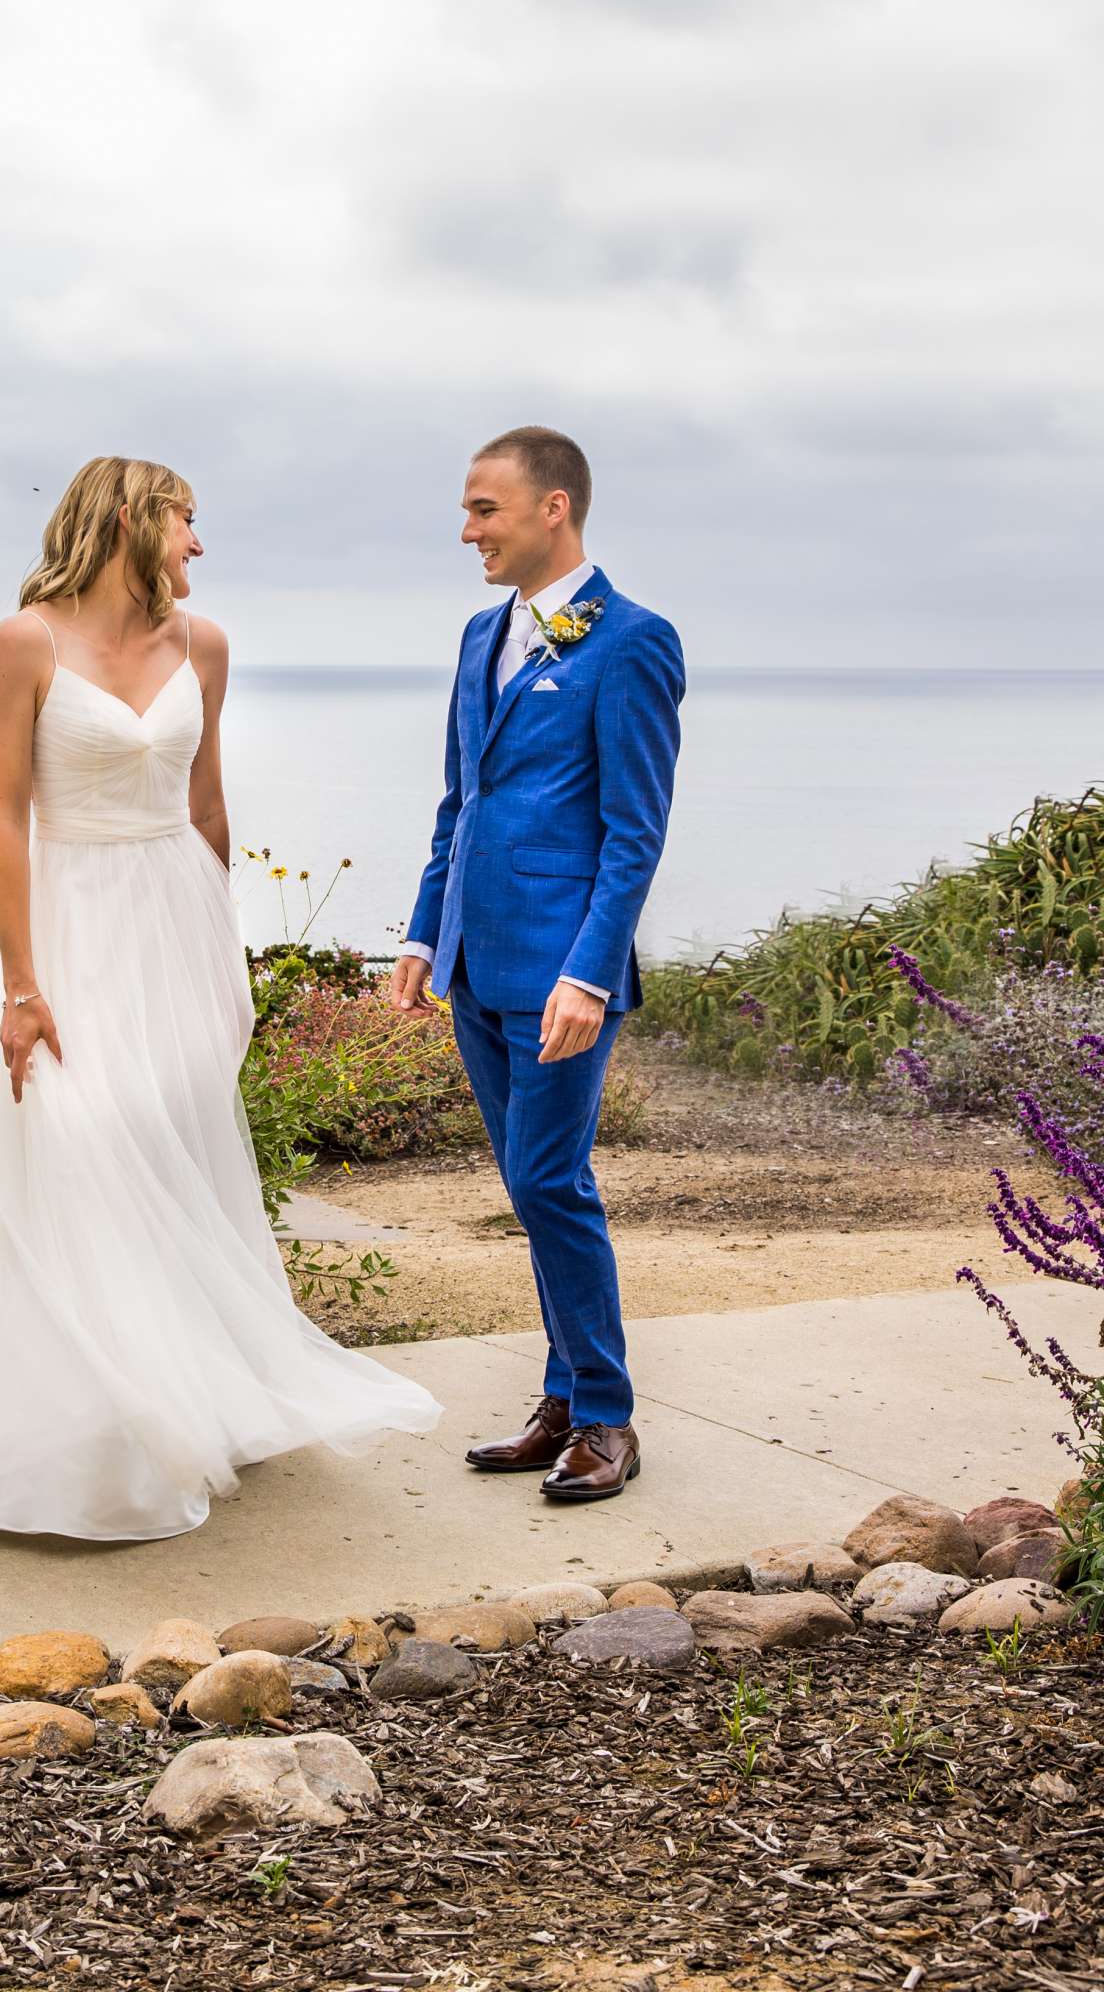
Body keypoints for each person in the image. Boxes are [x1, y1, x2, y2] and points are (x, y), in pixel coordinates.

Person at [0, 455, 440, 1537]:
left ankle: (173, 1399)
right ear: (130, 518)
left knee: (167, 1144)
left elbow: (209, 808)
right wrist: (21, 983)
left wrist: (232, 956)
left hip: (177, 919)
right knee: (73, 1141)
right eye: (187, 520)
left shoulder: (202, 647)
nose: (200, 545)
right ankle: (67, 1431)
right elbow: (4, 818)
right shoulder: (21, 643)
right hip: (71, 925)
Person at [389, 426, 683, 1502]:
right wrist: (425, 933)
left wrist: (590, 974)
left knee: (552, 1182)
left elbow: (632, 833)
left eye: (484, 510)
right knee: (527, 1184)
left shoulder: (631, 642)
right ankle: (561, 1398)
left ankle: (606, 1414)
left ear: (552, 508)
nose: (467, 530)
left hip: (564, 977)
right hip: (476, 964)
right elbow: (460, 801)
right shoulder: (479, 635)